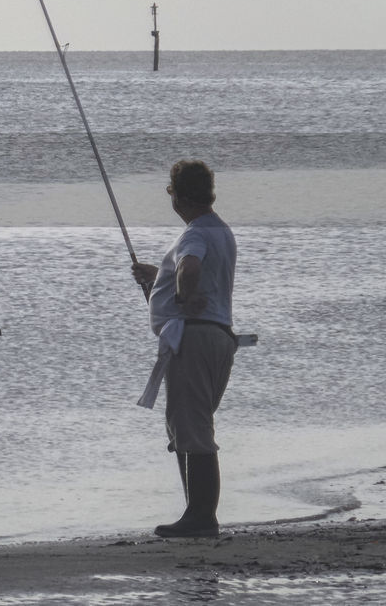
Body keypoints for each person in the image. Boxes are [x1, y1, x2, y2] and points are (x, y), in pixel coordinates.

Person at [131, 160, 237, 539]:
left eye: (171, 190)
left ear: (180, 196)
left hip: (193, 337)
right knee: (192, 422)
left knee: (192, 426)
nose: (170, 197)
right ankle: (196, 511)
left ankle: (201, 516)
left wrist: (179, 293)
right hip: (218, 336)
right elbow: (191, 269)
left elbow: (190, 269)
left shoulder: (193, 234)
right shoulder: (220, 230)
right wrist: (157, 276)